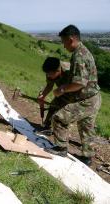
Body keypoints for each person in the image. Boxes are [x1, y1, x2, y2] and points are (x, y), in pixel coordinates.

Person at [39, 25, 101, 166]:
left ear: (71, 39)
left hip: (86, 99)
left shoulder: (79, 55)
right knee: (86, 127)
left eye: (63, 41)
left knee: (60, 118)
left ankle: (61, 148)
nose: (63, 45)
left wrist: (62, 90)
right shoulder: (82, 52)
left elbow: (79, 83)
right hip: (93, 98)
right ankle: (87, 157)